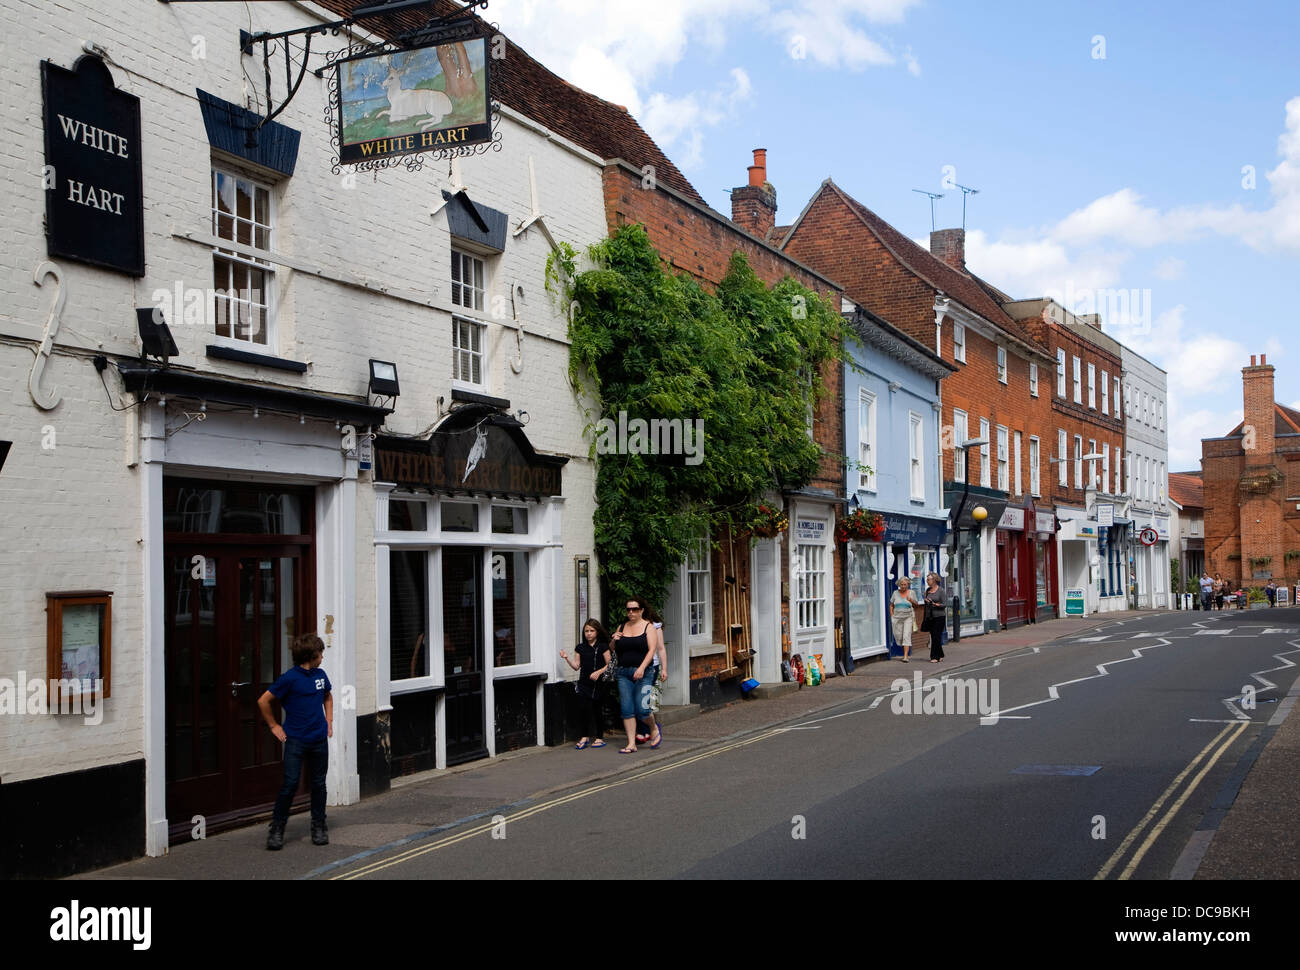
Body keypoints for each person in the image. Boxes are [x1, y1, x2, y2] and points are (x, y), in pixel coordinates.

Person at [259, 633, 333, 850]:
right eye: (320, 654)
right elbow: (263, 701)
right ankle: (277, 828)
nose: (322, 658)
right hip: (296, 741)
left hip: (319, 738)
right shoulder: (289, 678)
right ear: (311, 655)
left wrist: (329, 720)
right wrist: (274, 726)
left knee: (319, 784)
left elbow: (328, 696)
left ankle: (319, 826)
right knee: (290, 784)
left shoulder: (321, 675)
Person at [610, 596, 663, 753]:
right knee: (627, 709)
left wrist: (641, 668)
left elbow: (652, 650)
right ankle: (631, 743)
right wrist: (614, 640)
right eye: (628, 610)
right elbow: (612, 648)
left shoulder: (649, 627)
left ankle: (653, 728)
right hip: (623, 673)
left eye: (634, 609)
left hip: (644, 673)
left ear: (641, 610)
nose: (631, 612)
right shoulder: (621, 627)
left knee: (643, 708)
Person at [560, 619, 612, 749]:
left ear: (597, 632)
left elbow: (610, 664)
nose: (588, 633)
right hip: (584, 683)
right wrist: (566, 658)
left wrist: (598, 672)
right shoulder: (580, 647)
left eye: (591, 631)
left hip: (599, 684)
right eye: (586, 631)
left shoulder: (603, 646)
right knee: (583, 710)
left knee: (597, 710)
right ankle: (584, 737)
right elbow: (576, 666)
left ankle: (599, 737)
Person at [635, 607, 668, 744]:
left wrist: (664, 669)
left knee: (643, 698)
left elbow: (660, 648)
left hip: (651, 667)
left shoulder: (654, 626)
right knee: (634, 698)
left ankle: (646, 729)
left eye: (636, 609)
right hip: (633, 666)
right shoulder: (631, 625)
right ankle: (644, 729)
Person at [888, 577, 921, 662]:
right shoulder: (895, 593)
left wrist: (911, 600)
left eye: (905, 585)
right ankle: (904, 652)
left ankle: (905, 656)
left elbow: (916, 605)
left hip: (908, 617)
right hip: (897, 617)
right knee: (899, 636)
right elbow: (891, 605)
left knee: (906, 635)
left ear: (908, 585)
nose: (903, 586)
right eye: (902, 585)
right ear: (899, 585)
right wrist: (892, 615)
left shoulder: (911, 592)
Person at [921, 572, 947, 663]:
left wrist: (935, 604)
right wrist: (926, 601)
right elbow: (927, 602)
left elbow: (944, 604)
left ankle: (934, 656)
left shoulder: (941, 591)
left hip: (939, 616)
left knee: (936, 636)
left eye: (929, 579)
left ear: (934, 580)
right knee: (934, 636)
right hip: (930, 617)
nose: (927, 581)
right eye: (927, 579)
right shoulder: (928, 590)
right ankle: (940, 654)